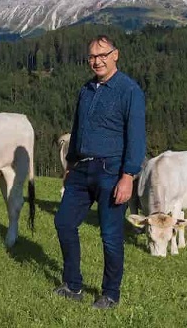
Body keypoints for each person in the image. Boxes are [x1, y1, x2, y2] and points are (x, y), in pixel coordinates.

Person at [53, 35, 146, 309]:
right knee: (64, 223)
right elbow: (78, 128)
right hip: (81, 168)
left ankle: (110, 294)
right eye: (92, 56)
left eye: (103, 55)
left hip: (112, 170)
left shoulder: (129, 90)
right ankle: (72, 285)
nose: (97, 61)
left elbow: (136, 137)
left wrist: (128, 176)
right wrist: (70, 165)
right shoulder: (86, 90)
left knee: (110, 234)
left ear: (115, 55)